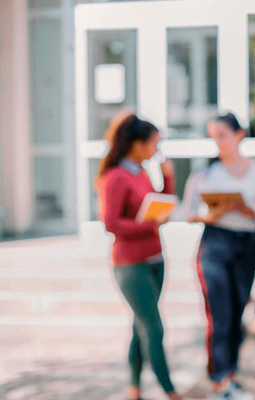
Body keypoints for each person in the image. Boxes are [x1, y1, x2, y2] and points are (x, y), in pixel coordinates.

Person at [181, 113, 255, 400]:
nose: (217, 141)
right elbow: (189, 213)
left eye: (222, 134)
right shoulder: (206, 173)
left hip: (248, 244)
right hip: (215, 243)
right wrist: (215, 213)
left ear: (239, 135)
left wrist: (250, 212)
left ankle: (231, 374)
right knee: (219, 313)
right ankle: (220, 379)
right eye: (213, 136)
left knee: (238, 312)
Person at [96, 112, 181, 400]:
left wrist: (168, 179)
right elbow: (111, 223)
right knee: (153, 327)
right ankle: (170, 391)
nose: (157, 150)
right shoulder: (115, 177)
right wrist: (148, 226)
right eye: (153, 144)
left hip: (156, 259)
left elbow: (160, 205)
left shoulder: (141, 172)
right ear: (136, 143)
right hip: (131, 265)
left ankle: (133, 387)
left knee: (141, 324)